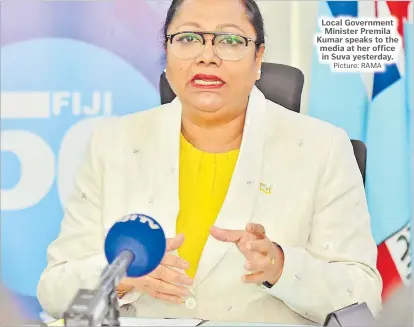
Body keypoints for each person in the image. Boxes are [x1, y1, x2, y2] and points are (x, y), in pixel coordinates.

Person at [37, 0, 383, 324]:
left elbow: (364, 295)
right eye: (188, 38)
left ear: (258, 57)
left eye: (230, 40)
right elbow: (54, 289)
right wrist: (122, 278)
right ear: (166, 52)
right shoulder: (112, 144)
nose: (207, 56)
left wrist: (281, 266)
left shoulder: (321, 149)